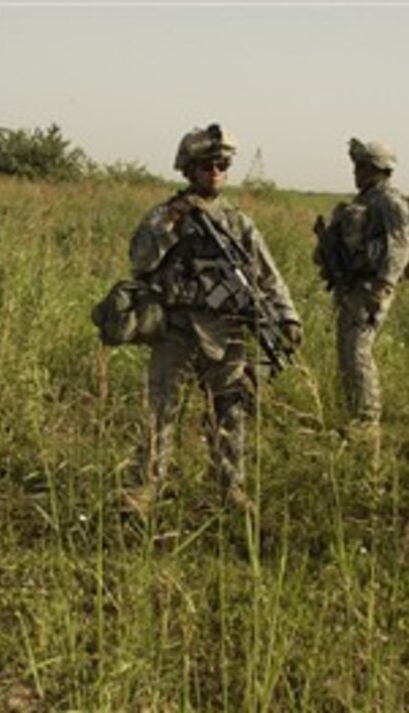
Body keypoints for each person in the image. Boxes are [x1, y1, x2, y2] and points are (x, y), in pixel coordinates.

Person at [122, 124, 301, 518]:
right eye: (206, 164)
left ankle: (230, 489)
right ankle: (145, 487)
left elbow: (268, 274)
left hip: (227, 328)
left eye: (222, 164)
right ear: (189, 169)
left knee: (230, 409)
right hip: (177, 328)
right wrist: (169, 222)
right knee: (161, 409)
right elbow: (140, 260)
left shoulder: (238, 222)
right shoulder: (166, 214)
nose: (215, 170)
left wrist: (287, 315)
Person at [316, 138, 409, 442]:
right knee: (347, 350)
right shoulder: (368, 199)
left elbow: (400, 245)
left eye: (361, 166)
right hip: (354, 286)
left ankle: (367, 419)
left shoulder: (389, 201)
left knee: (358, 351)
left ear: (376, 168)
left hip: (371, 289)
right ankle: (353, 413)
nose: (355, 171)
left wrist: (383, 287)